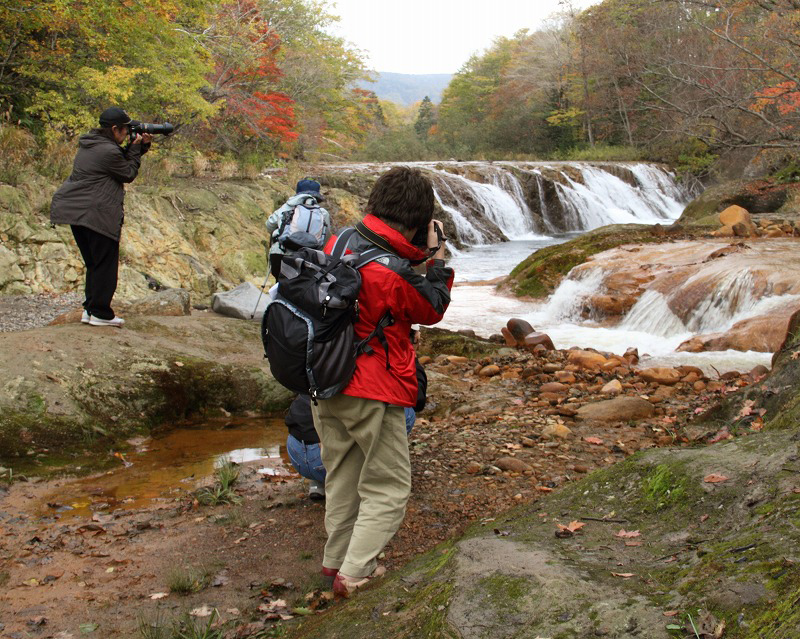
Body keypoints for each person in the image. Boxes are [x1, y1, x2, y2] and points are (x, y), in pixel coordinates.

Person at [310, 166, 453, 598]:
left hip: (325, 380)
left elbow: (383, 262)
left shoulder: (339, 241)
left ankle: (333, 563)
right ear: (419, 217)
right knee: (388, 487)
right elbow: (430, 309)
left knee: (343, 479)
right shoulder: (393, 272)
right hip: (373, 388)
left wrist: (415, 256)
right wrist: (439, 258)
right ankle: (356, 574)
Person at [50, 107, 153, 327]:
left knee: (95, 264)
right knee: (105, 265)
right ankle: (101, 313)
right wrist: (135, 149)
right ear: (115, 129)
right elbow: (127, 173)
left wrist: (139, 147)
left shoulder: (93, 145)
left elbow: (117, 163)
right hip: (96, 214)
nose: (127, 134)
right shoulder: (107, 150)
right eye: (126, 130)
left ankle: (90, 309)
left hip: (79, 213)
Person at [285, 355, 427, 501]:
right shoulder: (378, 361)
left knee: (335, 424)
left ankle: (320, 482)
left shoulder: (328, 355)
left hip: (297, 454)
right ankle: (373, 472)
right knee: (404, 412)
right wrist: (410, 356)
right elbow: (418, 398)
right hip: (324, 459)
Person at [265, 178, 331, 280]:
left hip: (281, 254)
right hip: (309, 259)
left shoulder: (288, 207)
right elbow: (325, 239)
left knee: (280, 284)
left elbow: (269, 225)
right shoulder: (323, 213)